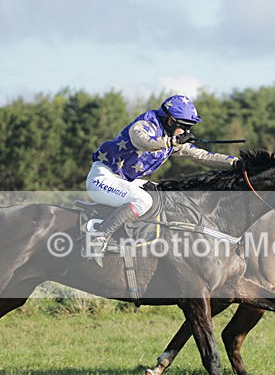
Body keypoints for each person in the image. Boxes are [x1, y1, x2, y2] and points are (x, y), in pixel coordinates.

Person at [84, 94, 239, 259]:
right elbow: (141, 140)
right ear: (171, 121)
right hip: (102, 178)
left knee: (162, 193)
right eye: (185, 127)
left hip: (122, 180)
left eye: (190, 127)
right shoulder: (145, 124)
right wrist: (172, 142)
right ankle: (98, 238)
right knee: (143, 200)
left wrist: (236, 163)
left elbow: (202, 155)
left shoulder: (170, 137)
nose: (188, 132)